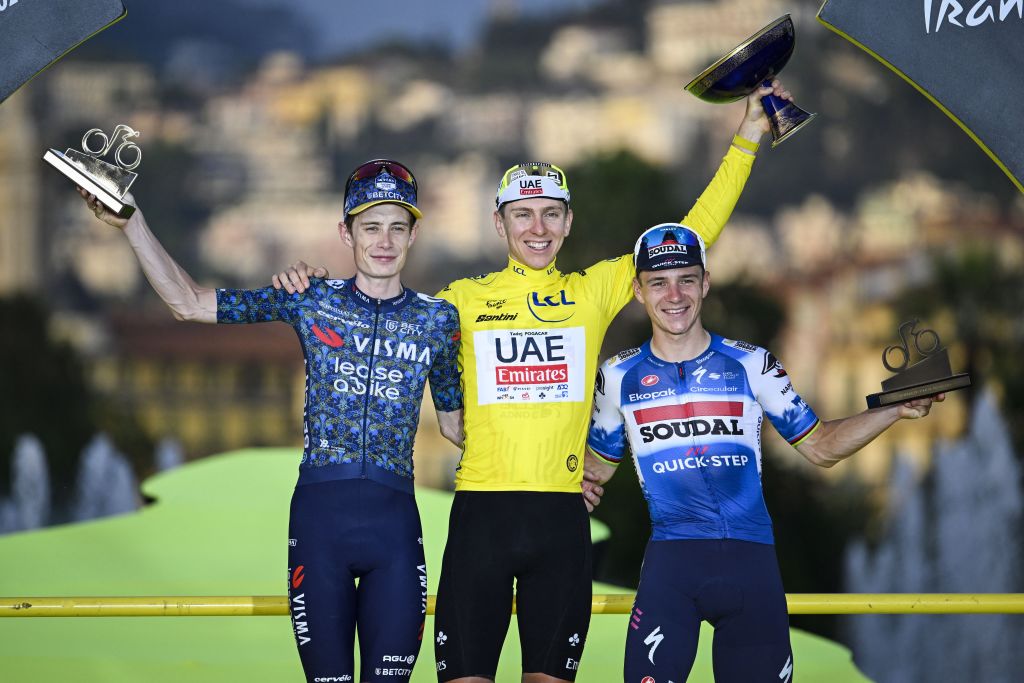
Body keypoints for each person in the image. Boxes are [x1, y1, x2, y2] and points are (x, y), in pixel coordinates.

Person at [274, 81, 793, 683]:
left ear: (569, 222)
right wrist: (310, 282)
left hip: (560, 522)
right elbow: (378, 301)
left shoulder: (591, 292)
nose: (537, 227)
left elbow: (693, 234)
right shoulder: (460, 302)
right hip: (480, 518)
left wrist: (749, 136)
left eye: (550, 214)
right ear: (500, 224)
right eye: (522, 214)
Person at [77, 158, 464, 683]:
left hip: (395, 531)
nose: (384, 240)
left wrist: (556, 465)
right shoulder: (307, 298)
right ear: (345, 231)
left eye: (398, 226)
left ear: (415, 234)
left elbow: (457, 427)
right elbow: (188, 304)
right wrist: (132, 223)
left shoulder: (437, 319)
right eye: (370, 226)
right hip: (319, 525)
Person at [585, 223, 944, 683]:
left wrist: (893, 411)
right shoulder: (617, 376)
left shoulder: (752, 363)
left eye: (686, 279)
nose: (674, 295)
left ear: (705, 283)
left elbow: (820, 447)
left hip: (750, 567)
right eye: (658, 282)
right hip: (671, 570)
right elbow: (594, 468)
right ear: (638, 291)